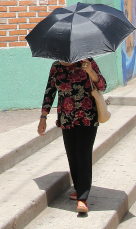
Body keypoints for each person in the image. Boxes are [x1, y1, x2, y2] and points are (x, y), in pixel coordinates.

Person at [37, 58, 106, 214]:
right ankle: (79, 187)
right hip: (66, 118)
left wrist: (91, 73)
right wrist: (43, 117)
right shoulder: (56, 67)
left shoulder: (87, 63)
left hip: (87, 116)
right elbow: (50, 92)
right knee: (72, 155)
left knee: (83, 154)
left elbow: (102, 85)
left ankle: (82, 197)